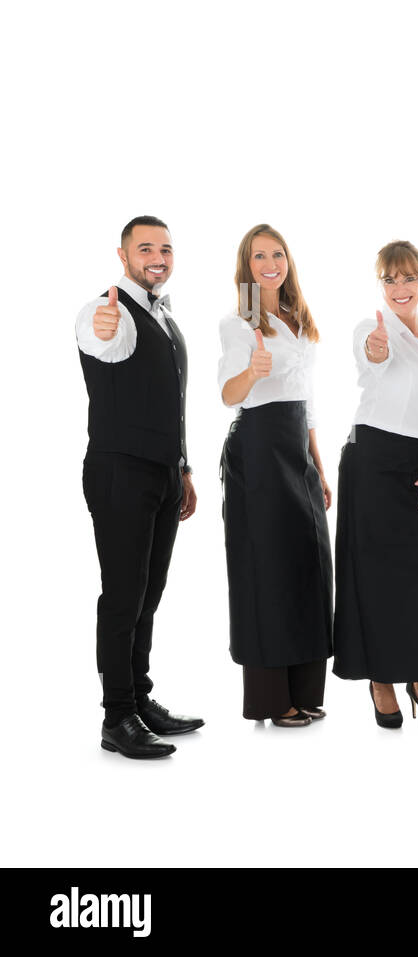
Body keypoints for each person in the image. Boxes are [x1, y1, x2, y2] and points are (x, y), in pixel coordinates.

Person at [77, 215, 204, 759]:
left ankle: (140, 698)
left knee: (148, 596)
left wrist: (183, 467)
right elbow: (101, 339)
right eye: (146, 248)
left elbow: (167, 400)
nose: (158, 256)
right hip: (119, 470)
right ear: (123, 256)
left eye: (166, 248)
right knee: (123, 597)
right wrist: (102, 328)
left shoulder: (165, 317)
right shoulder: (106, 311)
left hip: (161, 473)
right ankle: (117, 716)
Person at [333, 241, 418, 731]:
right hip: (374, 461)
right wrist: (377, 351)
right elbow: (373, 362)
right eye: (390, 279)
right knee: (376, 577)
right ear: (380, 284)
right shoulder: (371, 328)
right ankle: (381, 679)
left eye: (408, 278)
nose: (399, 288)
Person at [218, 224, 333, 727]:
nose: (270, 263)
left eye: (278, 254)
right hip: (259, 450)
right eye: (259, 255)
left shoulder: (298, 317)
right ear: (246, 264)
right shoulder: (239, 321)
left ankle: (306, 689)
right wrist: (252, 372)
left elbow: (306, 402)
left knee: (309, 562)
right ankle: (270, 698)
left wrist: (319, 467)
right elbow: (228, 393)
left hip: (297, 451)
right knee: (267, 573)